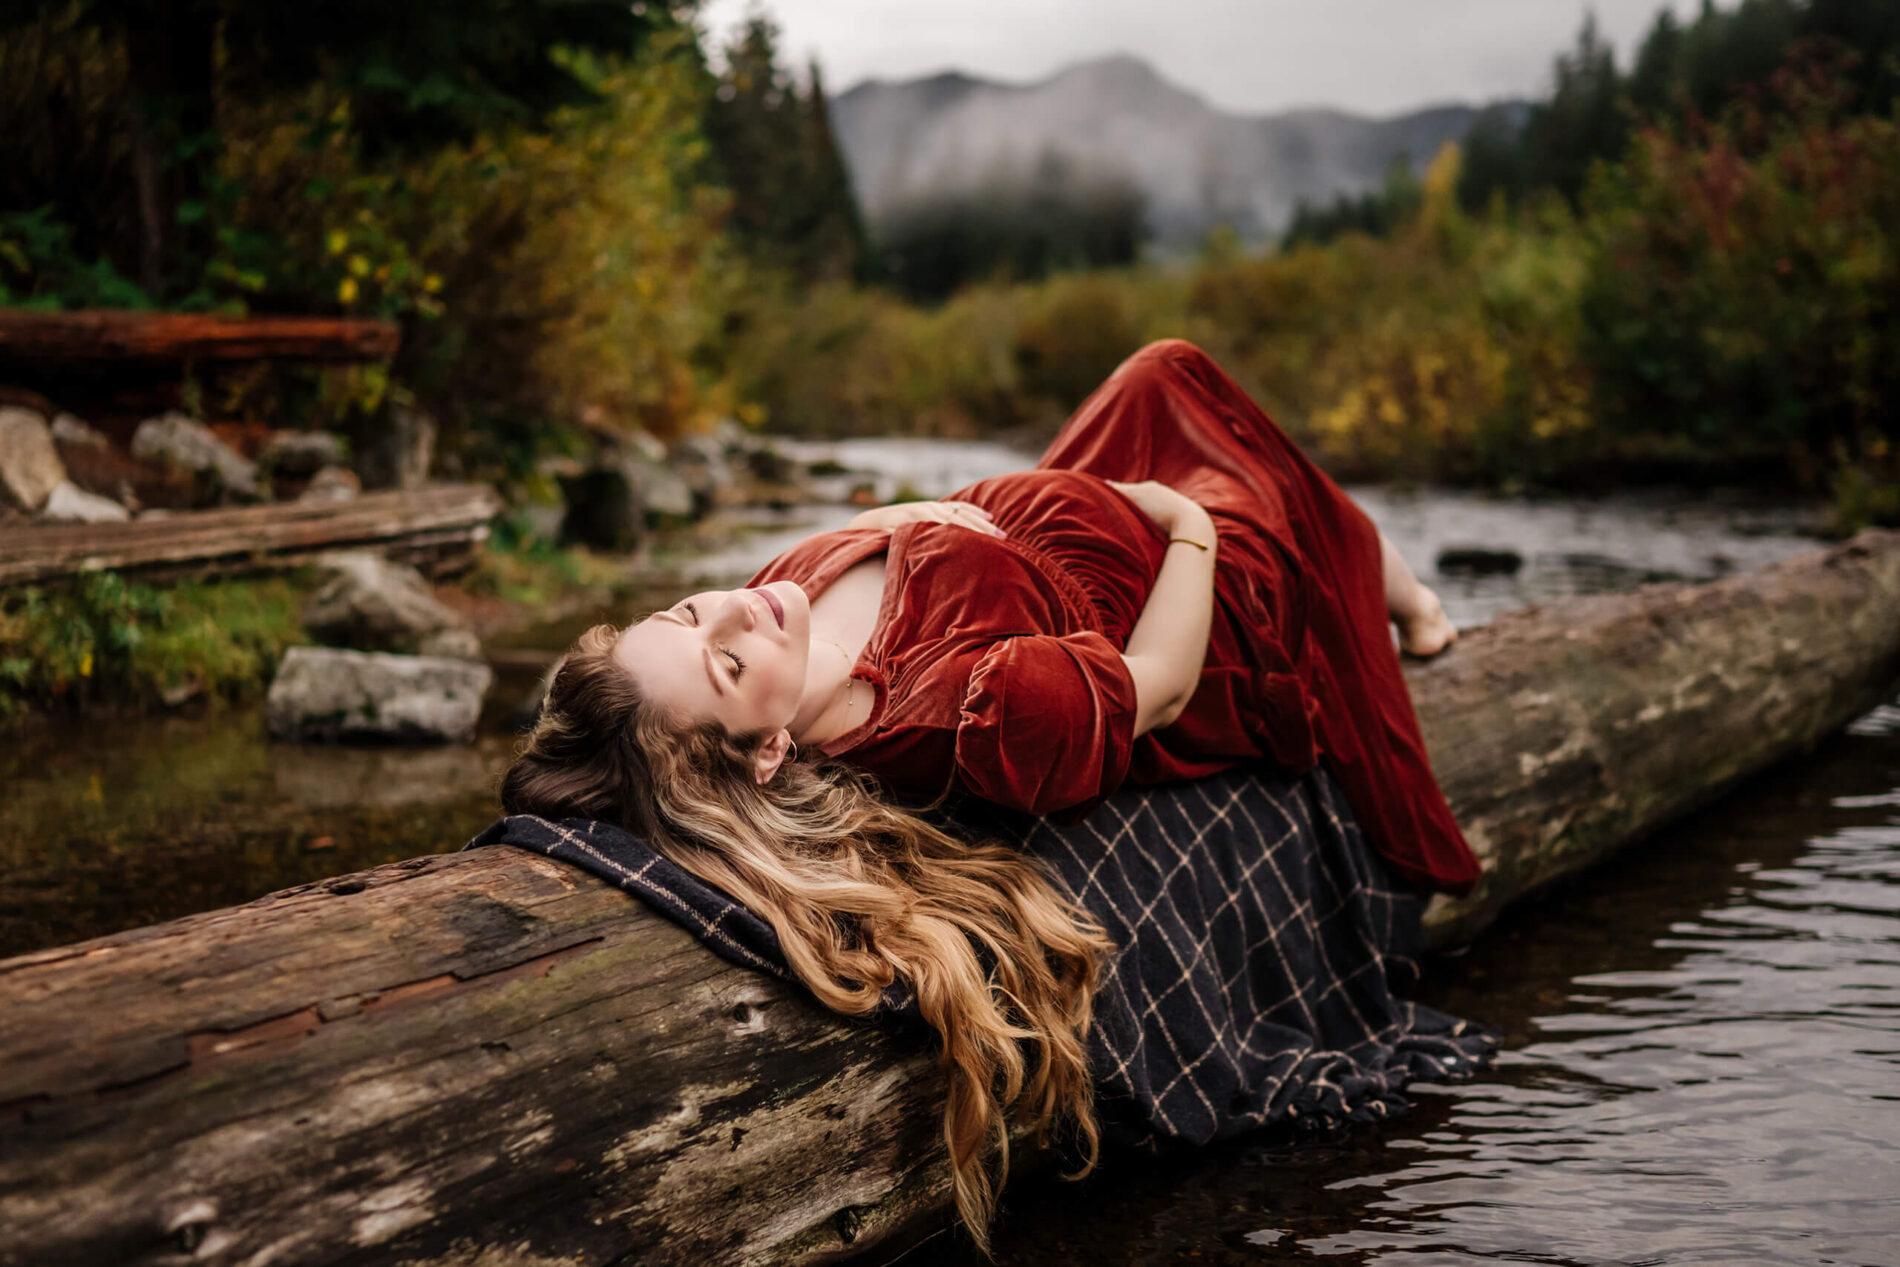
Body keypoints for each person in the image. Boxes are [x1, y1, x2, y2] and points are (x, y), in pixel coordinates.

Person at [501, 339, 1481, 1248]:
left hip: (1067, 507)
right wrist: (1186, 532)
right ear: (764, 755)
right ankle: (1412, 601)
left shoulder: (771, 609)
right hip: (1193, 604)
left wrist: (899, 519)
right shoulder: (970, 711)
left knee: (1161, 374)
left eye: (685, 611)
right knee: (1261, 491)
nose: (730, 610)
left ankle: (1388, 584)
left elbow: (839, 563)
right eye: (721, 663)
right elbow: (1163, 683)